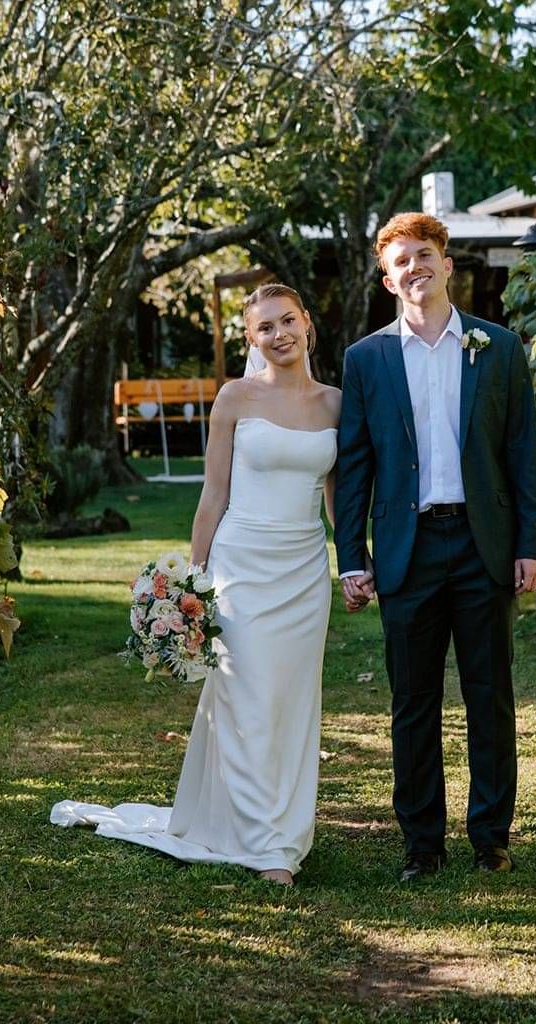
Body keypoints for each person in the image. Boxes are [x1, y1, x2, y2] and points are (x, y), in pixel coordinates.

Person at [50, 285, 338, 885]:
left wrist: (360, 564)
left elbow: (337, 502)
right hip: (243, 565)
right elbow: (214, 494)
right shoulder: (235, 397)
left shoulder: (336, 404)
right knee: (246, 700)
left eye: (288, 321)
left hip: (304, 571)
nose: (279, 334)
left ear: (307, 324)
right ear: (250, 339)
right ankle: (269, 849)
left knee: (291, 704)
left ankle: (282, 828)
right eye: (264, 327)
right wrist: (194, 586)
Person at [334, 212, 536, 882]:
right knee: (413, 704)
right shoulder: (366, 359)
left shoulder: (498, 348)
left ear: (447, 263)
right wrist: (352, 555)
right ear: (387, 276)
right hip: (408, 549)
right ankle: (421, 845)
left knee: (490, 698)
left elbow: (523, 454)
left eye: (424, 255)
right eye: (401, 261)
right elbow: (355, 465)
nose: (414, 269)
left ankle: (491, 838)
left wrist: (530, 543)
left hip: (483, 545)